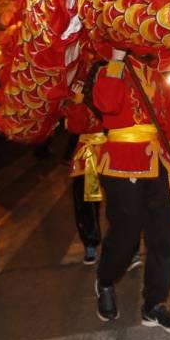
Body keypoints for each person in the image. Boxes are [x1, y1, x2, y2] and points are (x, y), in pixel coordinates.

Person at [92, 49, 170, 333]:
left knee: (162, 237)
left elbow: (168, 114)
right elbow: (106, 105)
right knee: (126, 235)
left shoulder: (156, 73)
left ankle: (154, 305)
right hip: (121, 162)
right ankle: (106, 279)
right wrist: (116, 61)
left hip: (154, 161)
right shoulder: (107, 67)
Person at [64, 68, 106, 265]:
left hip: (113, 151)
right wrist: (76, 105)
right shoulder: (78, 90)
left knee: (122, 200)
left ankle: (129, 246)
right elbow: (76, 128)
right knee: (89, 202)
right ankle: (91, 243)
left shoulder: (111, 85)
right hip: (89, 156)